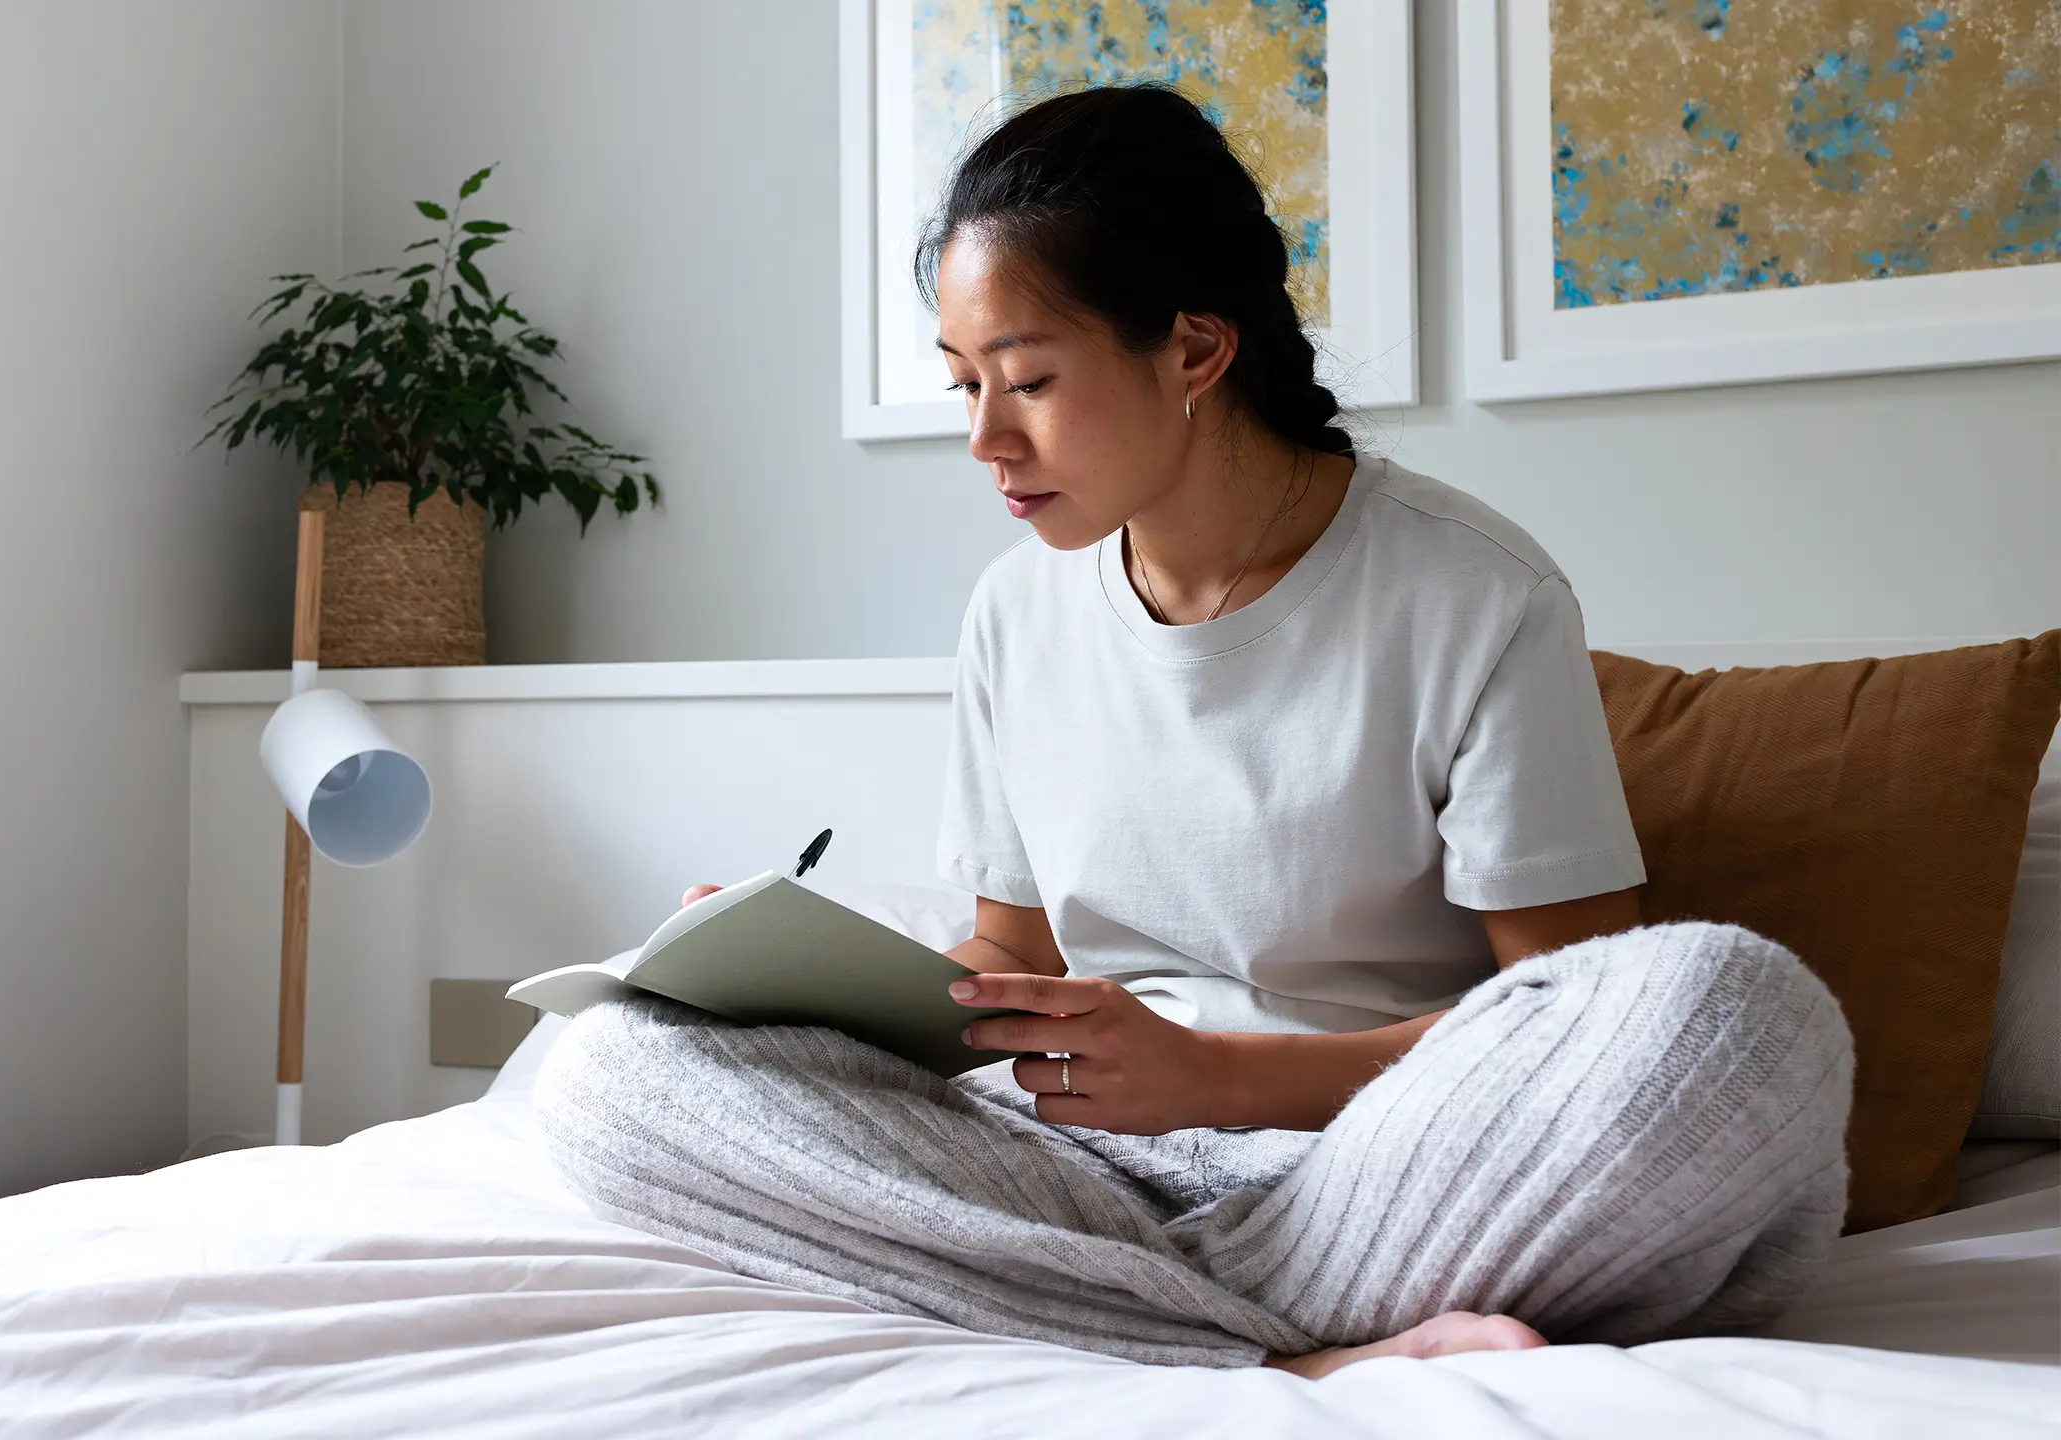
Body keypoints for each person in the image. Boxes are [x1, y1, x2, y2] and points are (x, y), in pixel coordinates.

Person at [538, 85, 1851, 1376]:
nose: (988, 440)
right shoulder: (1016, 610)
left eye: (1030, 381)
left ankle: (1137, 1310)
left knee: (1735, 1010)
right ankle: (1298, 1345)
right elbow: (1008, 962)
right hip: (1083, 1161)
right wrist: (774, 982)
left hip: (1382, 1163)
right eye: (962, 388)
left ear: (1197, 351)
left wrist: (1216, 1075)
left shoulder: (1476, 594)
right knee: (612, 1069)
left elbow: (1571, 1021)